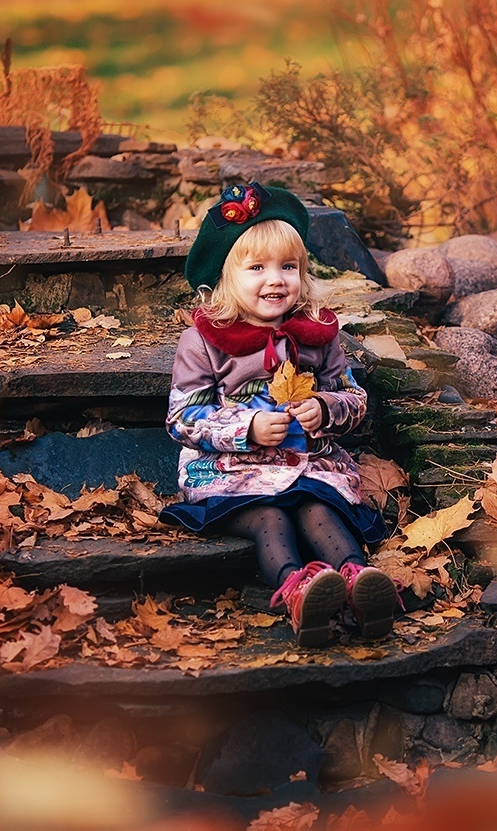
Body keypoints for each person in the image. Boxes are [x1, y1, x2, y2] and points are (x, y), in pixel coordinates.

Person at [158, 182, 398, 647]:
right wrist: (245, 427)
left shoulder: (318, 333)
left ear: (303, 273)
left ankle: (360, 583)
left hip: (308, 462)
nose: (276, 279)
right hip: (232, 471)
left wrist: (325, 409)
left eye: (288, 267)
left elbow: (353, 397)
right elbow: (181, 417)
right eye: (257, 268)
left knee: (318, 511)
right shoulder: (204, 340)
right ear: (228, 276)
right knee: (271, 520)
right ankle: (300, 592)